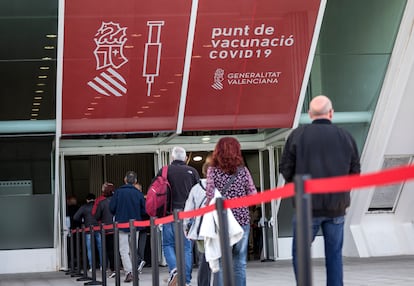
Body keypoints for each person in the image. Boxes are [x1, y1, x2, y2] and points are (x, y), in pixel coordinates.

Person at [279, 95, 361, 286]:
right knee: (334, 256)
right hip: (336, 207)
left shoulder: (298, 135)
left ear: (309, 114)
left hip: (306, 206)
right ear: (331, 113)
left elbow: (285, 169)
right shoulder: (345, 137)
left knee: (300, 254)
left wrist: (298, 186)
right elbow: (355, 171)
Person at [205, 137, 257, 286]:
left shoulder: (212, 171)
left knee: (221, 261)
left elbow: (209, 195)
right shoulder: (243, 171)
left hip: (222, 221)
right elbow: (253, 195)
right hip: (241, 220)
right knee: (239, 262)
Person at [154, 146, 200, 286]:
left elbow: (155, 190)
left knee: (168, 244)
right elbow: (198, 193)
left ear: (172, 158)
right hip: (188, 214)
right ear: (185, 158)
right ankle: (185, 280)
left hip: (168, 214)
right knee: (186, 247)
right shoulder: (192, 171)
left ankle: (174, 270)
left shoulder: (165, 171)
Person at [183, 154, 218, 286]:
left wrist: (186, 227)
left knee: (204, 259)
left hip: (201, 230)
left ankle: (204, 284)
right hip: (217, 229)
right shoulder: (221, 187)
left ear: (203, 172)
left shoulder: (196, 188)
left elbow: (188, 211)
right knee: (218, 259)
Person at [109, 171, 146, 283]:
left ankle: (129, 272)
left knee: (123, 250)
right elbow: (144, 211)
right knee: (133, 249)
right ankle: (134, 272)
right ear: (135, 181)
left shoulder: (118, 192)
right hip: (135, 225)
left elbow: (111, 208)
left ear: (125, 180)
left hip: (121, 224)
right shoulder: (138, 193)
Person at [73, 193, 103, 271]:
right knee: (100, 247)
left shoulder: (84, 207)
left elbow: (75, 217)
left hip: (88, 229)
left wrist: (82, 221)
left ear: (87, 200)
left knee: (90, 248)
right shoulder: (98, 205)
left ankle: (91, 266)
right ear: (95, 199)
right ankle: (102, 265)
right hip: (98, 228)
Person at [93, 182, 116, 278]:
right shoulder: (117, 200)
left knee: (109, 249)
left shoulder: (101, 202)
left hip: (107, 230)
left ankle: (113, 268)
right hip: (120, 228)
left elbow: (96, 215)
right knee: (121, 249)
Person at [134, 182, 147, 273]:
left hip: (142, 226)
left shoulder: (143, 199)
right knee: (135, 247)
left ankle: (139, 263)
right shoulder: (142, 199)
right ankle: (139, 263)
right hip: (137, 226)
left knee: (140, 247)